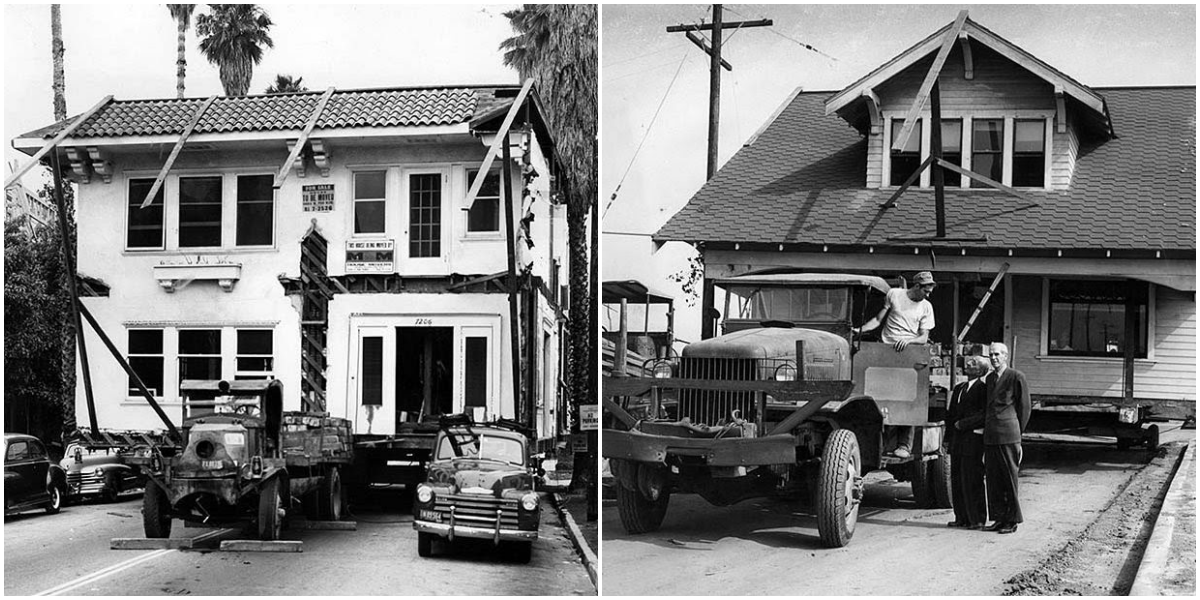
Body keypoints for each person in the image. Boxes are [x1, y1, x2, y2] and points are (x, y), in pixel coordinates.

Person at [851, 271, 937, 458]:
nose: (928, 295)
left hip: (907, 355)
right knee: (879, 398)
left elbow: (923, 337)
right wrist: (858, 330)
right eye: (926, 290)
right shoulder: (895, 294)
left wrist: (909, 342)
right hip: (885, 352)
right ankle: (877, 445)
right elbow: (877, 320)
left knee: (907, 398)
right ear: (916, 286)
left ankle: (904, 445)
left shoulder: (926, 307)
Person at [981, 342, 1031, 534]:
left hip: (1009, 434)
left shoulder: (1016, 376)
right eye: (991, 355)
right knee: (993, 480)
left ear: (1006, 356)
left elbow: (1024, 408)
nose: (994, 358)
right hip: (991, 435)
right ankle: (999, 518)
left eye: (997, 355)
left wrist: (1018, 433)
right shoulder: (990, 379)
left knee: (1009, 478)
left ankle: (1011, 520)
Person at [946, 355, 991, 530]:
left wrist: (963, 424)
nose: (968, 364)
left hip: (972, 440)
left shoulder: (983, 389)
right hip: (957, 441)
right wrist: (948, 438)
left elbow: (984, 414)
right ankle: (961, 517)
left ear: (980, 370)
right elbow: (951, 414)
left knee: (972, 479)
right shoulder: (959, 388)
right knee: (957, 479)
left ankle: (977, 519)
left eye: (973, 363)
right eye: (969, 362)